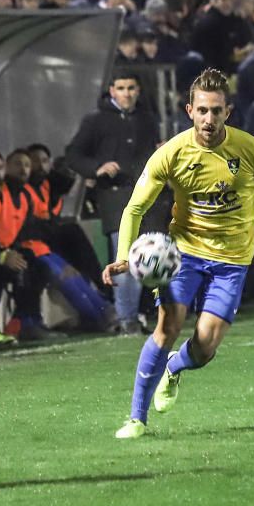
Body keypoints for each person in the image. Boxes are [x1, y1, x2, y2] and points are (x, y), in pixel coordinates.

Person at [105, 68, 254, 439]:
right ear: (189, 110)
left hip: (233, 260)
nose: (209, 119)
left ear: (228, 112)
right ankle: (136, 418)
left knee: (205, 347)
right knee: (168, 326)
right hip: (184, 254)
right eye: (203, 110)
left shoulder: (251, 149)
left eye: (217, 111)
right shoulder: (171, 153)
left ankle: (175, 367)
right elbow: (134, 209)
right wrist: (124, 255)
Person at [65, 71, 161, 334]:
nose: (127, 93)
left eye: (131, 87)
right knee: (126, 257)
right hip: (116, 197)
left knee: (146, 259)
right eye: (121, 88)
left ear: (138, 90)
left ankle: (135, 314)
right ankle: (125, 317)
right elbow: (72, 155)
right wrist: (97, 167)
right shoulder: (95, 120)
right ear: (111, 91)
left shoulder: (146, 118)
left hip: (146, 195)